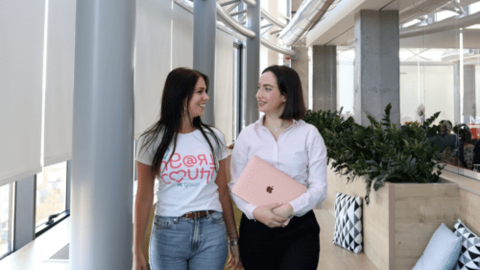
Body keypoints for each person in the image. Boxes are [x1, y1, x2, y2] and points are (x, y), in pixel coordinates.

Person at [132, 68, 242, 270]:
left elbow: (223, 191)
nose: (206, 97)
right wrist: (136, 249)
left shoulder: (214, 137)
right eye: (200, 91)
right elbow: (144, 196)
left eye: (205, 91)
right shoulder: (151, 140)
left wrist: (233, 239)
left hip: (212, 230)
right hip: (169, 233)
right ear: (182, 96)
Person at [230, 65, 327, 270]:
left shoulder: (309, 134)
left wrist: (290, 208)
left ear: (285, 95)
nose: (258, 94)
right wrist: (254, 211)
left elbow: (319, 187)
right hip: (256, 229)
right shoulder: (247, 135)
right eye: (259, 88)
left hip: (299, 227)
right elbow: (235, 184)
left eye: (267, 88)